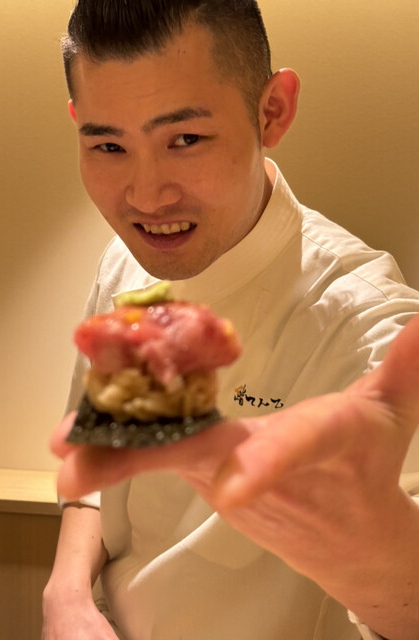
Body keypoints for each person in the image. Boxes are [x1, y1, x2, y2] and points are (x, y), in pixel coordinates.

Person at [42, 1, 419, 639]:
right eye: (109, 145)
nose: (146, 197)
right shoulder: (127, 266)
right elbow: (97, 475)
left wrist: (377, 561)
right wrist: (67, 594)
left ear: (272, 110)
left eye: (185, 139)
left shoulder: (364, 320)